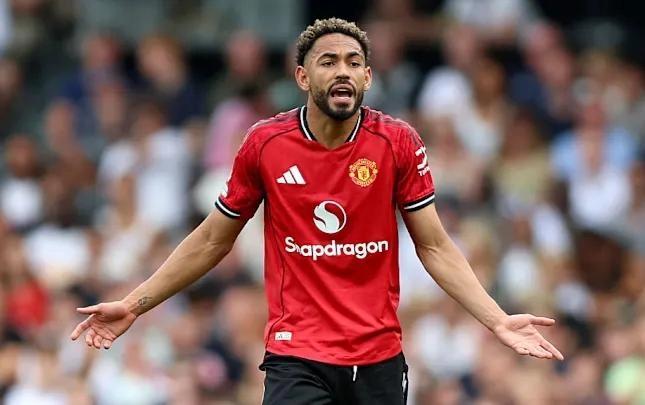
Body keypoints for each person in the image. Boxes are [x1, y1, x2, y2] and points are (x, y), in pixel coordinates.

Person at [70, 18, 563, 405]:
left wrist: (497, 319)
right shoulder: (266, 144)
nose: (342, 70)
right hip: (297, 355)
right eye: (328, 61)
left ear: (368, 77)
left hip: (379, 358)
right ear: (303, 77)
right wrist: (134, 304)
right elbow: (212, 239)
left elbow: (434, 245)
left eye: (353, 62)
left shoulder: (397, 142)